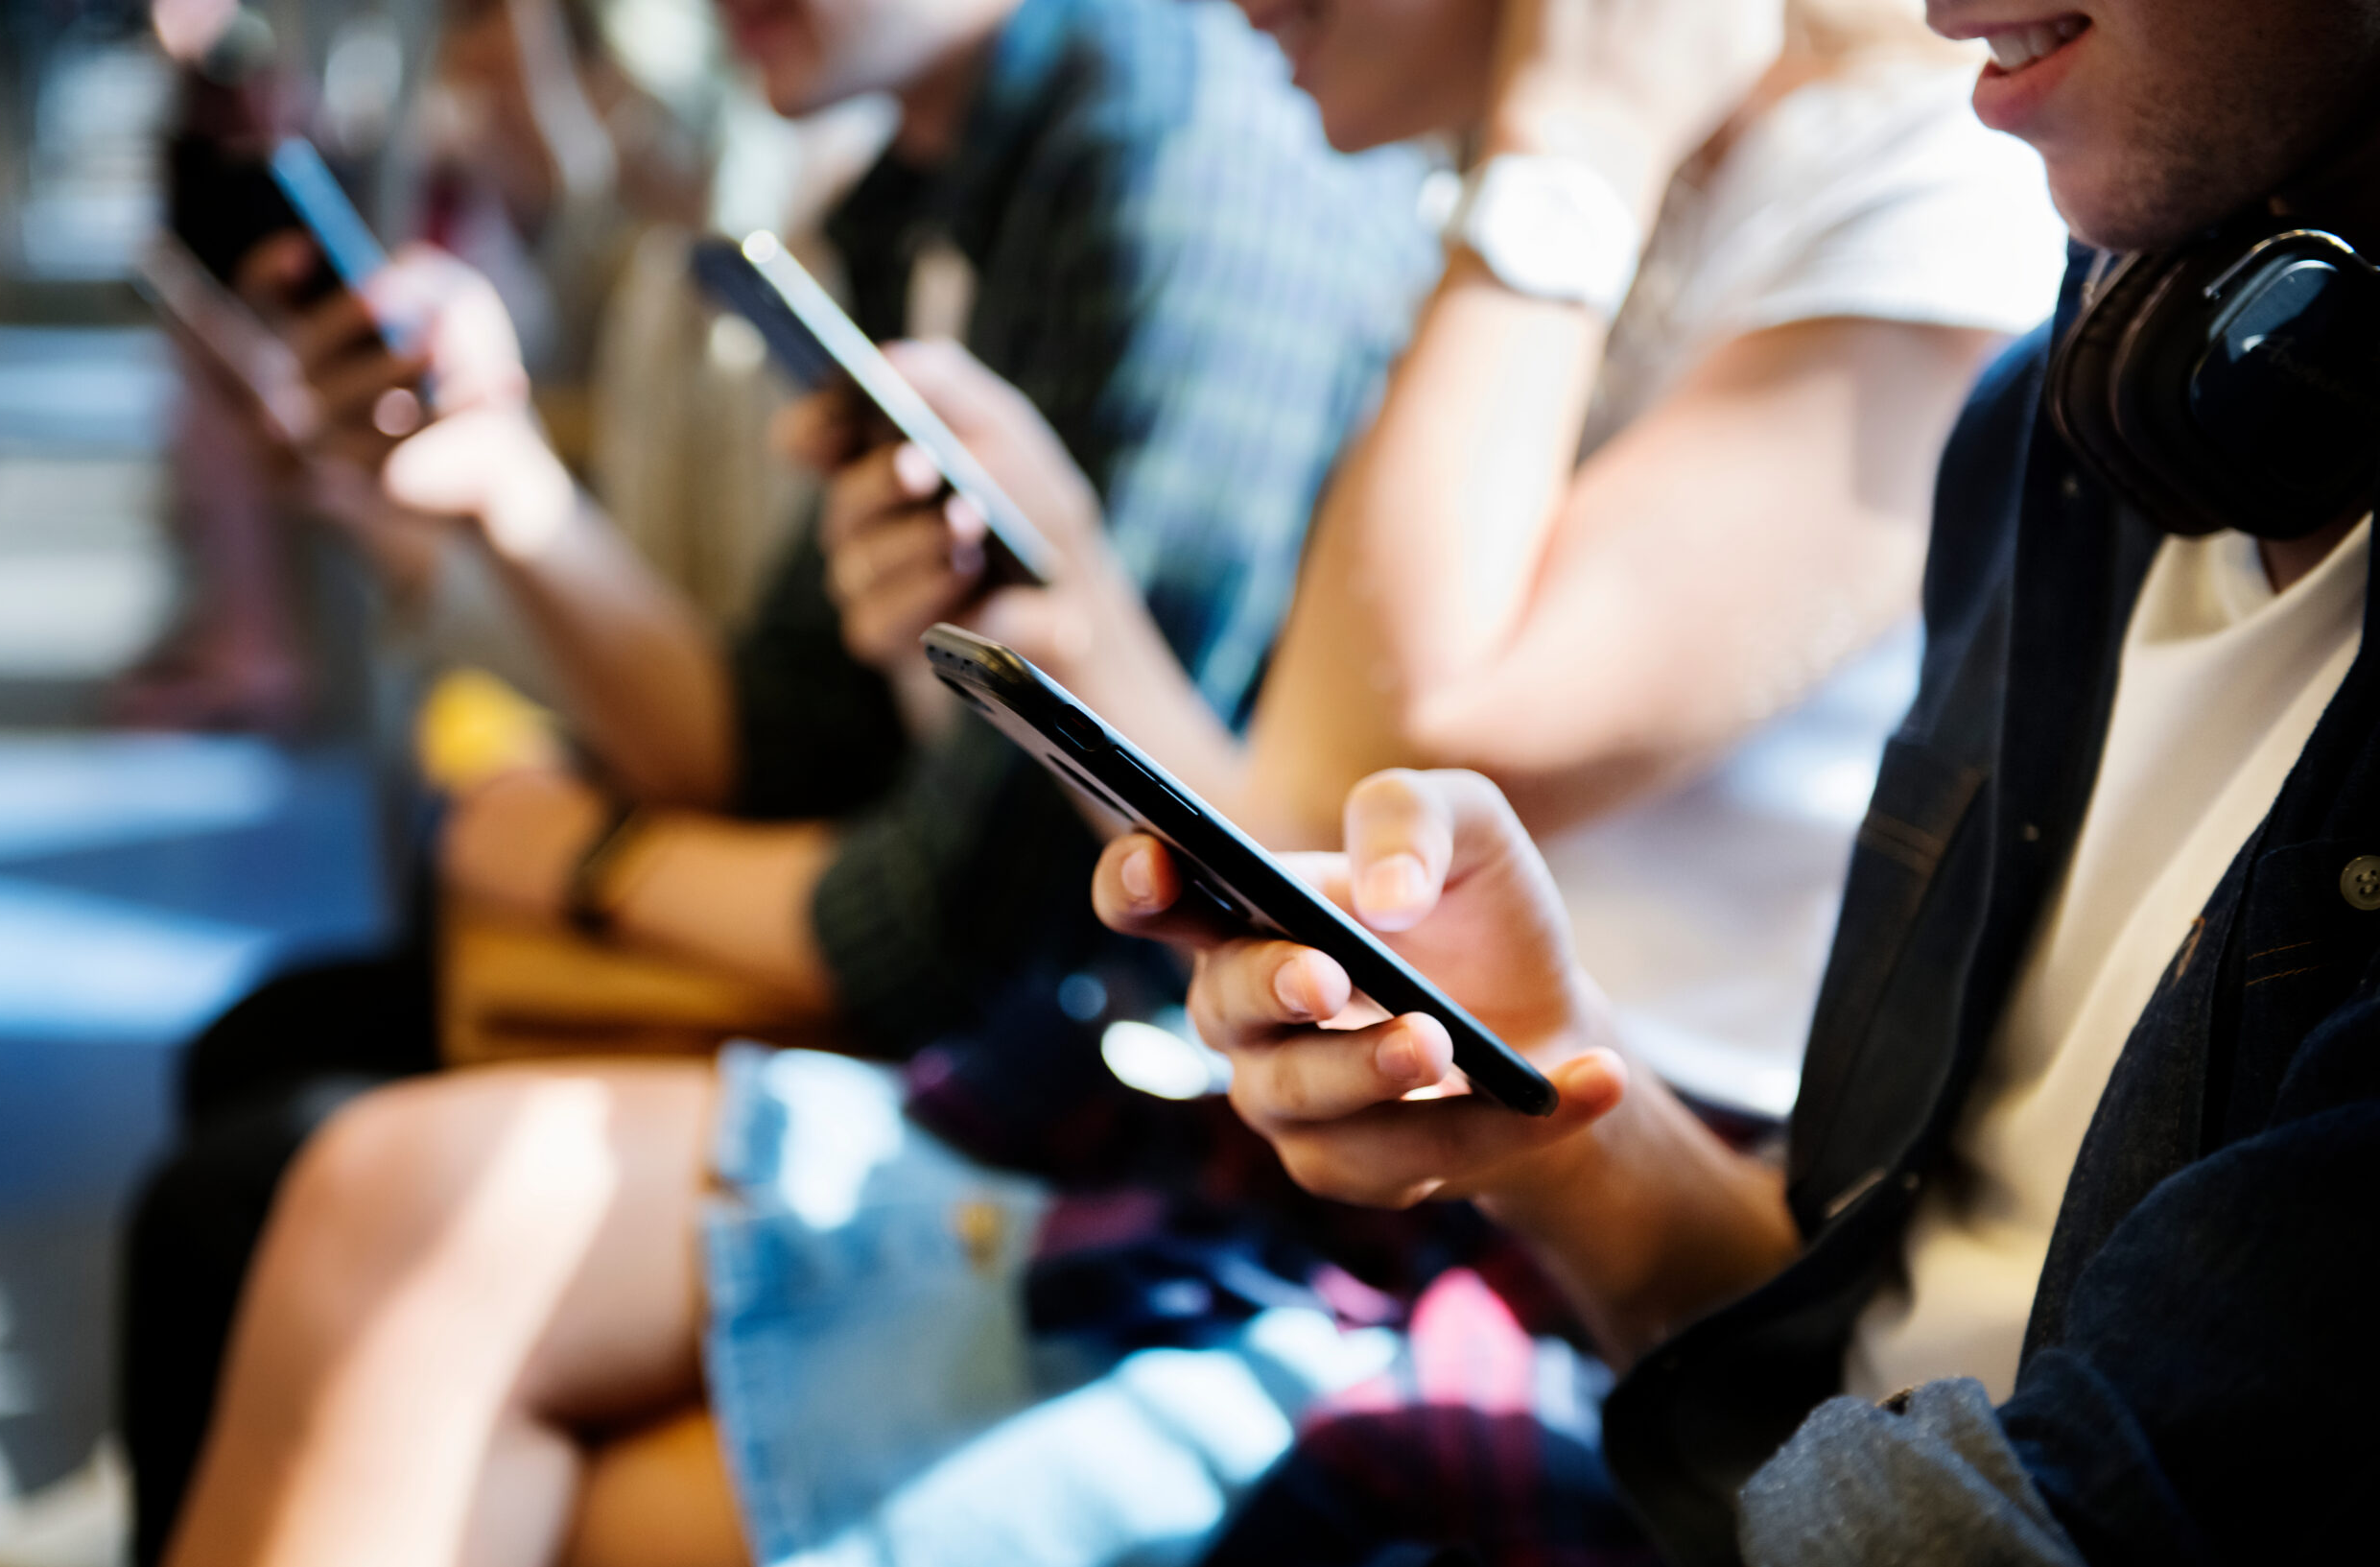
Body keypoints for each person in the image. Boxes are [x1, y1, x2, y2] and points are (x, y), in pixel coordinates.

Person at [141, 0, 1430, 1567]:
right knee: (298, 1142)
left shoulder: (1172, 154)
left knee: (313, 1185)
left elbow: (953, 927)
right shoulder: (922, 182)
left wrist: (593, 857)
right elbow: (778, 740)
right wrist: (506, 485)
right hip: (1066, 1066)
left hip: (1162, 1122)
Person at [1095, 0, 2380, 1567]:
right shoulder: (2071, 423)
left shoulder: (1911, 232)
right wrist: (1561, 1112)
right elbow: (1840, 1363)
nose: (1944, 8)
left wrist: (1564, 148)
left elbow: (2042, 1552)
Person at [822, 0, 2065, 1117]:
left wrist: (1573, 141)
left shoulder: (1935, 187)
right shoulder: (1530, 188)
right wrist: (1063, 602)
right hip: (1392, 1150)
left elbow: (1385, 771)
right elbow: (1311, 847)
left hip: (1632, 1203)